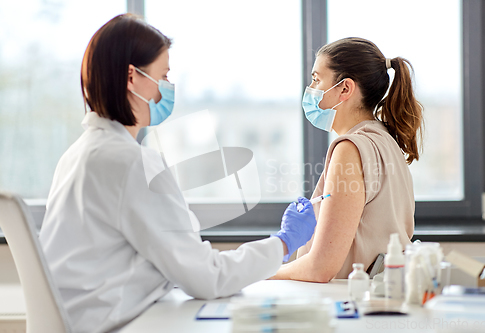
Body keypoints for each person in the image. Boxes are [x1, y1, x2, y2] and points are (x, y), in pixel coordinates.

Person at [39, 14, 316, 333]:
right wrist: (282, 243)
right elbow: (207, 277)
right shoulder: (131, 163)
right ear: (132, 77)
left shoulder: (79, 154)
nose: (168, 87)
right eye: (163, 74)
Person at [270, 37, 423, 282]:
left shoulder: (350, 148)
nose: (311, 88)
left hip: (348, 304)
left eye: (316, 79)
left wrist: (256, 274)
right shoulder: (385, 139)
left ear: (345, 88)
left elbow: (320, 268)